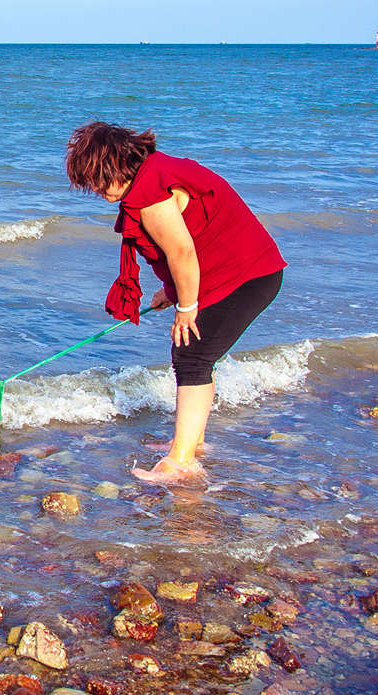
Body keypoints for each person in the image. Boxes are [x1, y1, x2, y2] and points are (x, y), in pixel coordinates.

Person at [64, 122, 286, 484]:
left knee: (192, 354)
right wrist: (174, 292)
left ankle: (181, 461)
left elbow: (181, 251)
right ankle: (192, 442)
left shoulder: (150, 195)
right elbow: (198, 234)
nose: (94, 189)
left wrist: (187, 308)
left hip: (248, 277)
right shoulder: (156, 171)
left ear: (114, 167)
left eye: (95, 179)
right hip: (246, 271)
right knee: (198, 354)